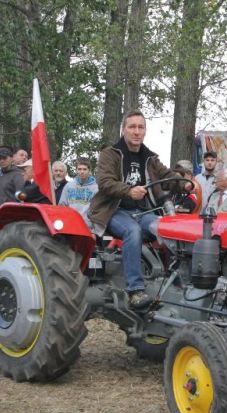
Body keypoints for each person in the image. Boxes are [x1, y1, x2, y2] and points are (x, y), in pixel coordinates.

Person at [87, 110, 187, 308]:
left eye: (140, 127)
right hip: (114, 211)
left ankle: (175, 281)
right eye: (132, 127)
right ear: (124, 129)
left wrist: (185, 184)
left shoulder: (149, 158)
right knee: (132, 231)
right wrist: (129, 191)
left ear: (145, 131)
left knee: (167, 228)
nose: (136, 131)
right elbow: (105, 183)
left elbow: (167, 176)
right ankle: (135, 290)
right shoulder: (110, 154)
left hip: (142, 212)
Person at [59, 157, 97, 224]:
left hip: (87, 225)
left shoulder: (96, 188)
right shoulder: (69, 186)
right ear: (76, 170)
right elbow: (62, 206)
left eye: (84, 169)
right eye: (79, 169)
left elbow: (97, 210)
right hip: (70, 222)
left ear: (89, 170)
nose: (82, 172)